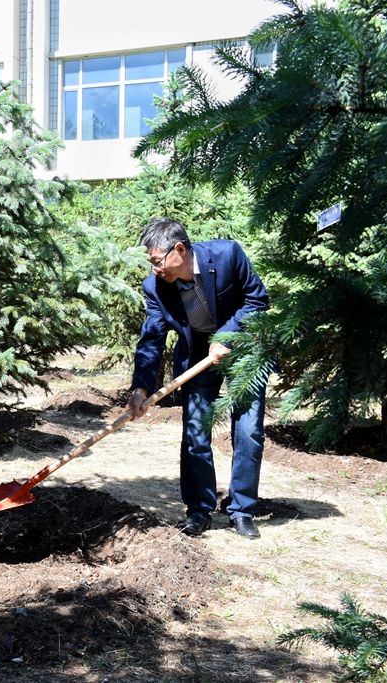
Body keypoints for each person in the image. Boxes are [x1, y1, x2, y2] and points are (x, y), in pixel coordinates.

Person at [124, 218, 271, 539]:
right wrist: (141, 387)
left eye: (157, 261)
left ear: (179, 249)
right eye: (150, 263)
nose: (154, 269)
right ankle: (199, 510)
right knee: (195, 433)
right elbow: (152, 337)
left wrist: (228, 335)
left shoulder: (228, 255)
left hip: (244, 348)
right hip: (198, 357)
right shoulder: (156, 287)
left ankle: (242, 510)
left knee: (248, 432)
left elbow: (258, 300)